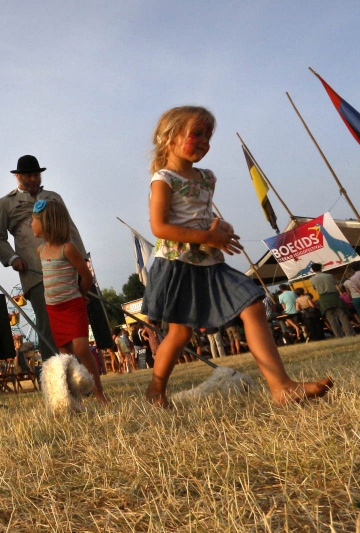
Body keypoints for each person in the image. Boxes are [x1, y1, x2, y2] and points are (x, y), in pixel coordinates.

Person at [141, 105, 332, 407]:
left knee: (253, 304)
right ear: (170, 137)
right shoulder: (163, 179)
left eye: (209, 135)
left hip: (211, 262)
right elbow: (159, 227)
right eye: (197, 133)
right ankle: (156, 387)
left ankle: (282, 387)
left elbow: (201, 216)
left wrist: (221, 229)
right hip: (178, 264)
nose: (204, 141)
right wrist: (207, 236)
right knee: (180, 332)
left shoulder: (206, 177)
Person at [0, 155, 88, 361]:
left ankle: (82, 378)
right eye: (28, 175)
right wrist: (12, 258)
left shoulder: (54, 197)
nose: (33, 179)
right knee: (48, 326)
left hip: (67, 269)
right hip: (35, 272)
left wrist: (83, 262)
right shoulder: (5, 204)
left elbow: (71, 229)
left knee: (74, 326)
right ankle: (56, 379)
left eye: (36, 174)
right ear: (17, 177)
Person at [31, 200, 107, 403]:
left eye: (33, 220)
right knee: (65, 354)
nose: (31, 224)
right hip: (54, 309)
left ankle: (98, 391)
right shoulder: (40, 251)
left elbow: (86, 276)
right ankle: (75, 395)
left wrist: (81, 294)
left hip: (72, 306)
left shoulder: (68, 249)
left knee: (81, 348)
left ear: (46, 223)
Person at [309, 263, 355, 338]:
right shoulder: (329, 276)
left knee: (331, 319)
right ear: (321, 268)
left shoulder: (312, 279)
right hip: (334, 296)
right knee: (342, 316)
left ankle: (338, 335)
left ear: (313, 270)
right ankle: (350, 333)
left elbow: (315, 289)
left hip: (323, 298)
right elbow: (336, 285)